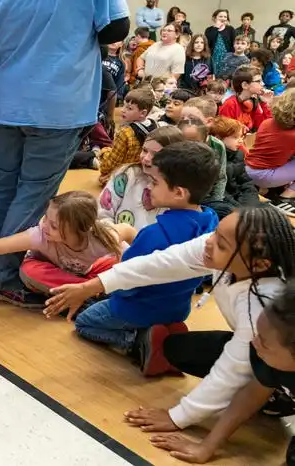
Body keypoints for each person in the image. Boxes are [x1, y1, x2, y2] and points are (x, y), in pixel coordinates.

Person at [46, 205, 295, 441]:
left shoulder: (266, 302)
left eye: (220, 243)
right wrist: (91, 286)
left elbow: (232, 369)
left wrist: (178, 417)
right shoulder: (230, 251)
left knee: (243, 372)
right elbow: (161, 263)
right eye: (215, 233)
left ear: (260, 264)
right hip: (260, 348)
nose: (208, 242)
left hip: (282, 362)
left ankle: (279, 396)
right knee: (177, 348)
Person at [0, 0, 130, 306]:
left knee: (3, 185)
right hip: (59, 106)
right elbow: (116, 29)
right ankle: (2, 277)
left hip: (7, 103)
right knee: (32, 196)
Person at [66, 142, 221, 362]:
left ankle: (138, 341)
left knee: (84, 322)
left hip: (138, 308)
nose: (149, 187)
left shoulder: (155, 234)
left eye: (155, 182)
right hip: (177, 308)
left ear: (178, 192)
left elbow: (127, 281)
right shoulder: (211, 222)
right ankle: (163, 330)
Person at [148, 280, 295, 465]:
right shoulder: (273, 357)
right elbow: (251, 395)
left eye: (263, 341)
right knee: (179, 348)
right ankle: (278, 399)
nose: (254, 342)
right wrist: (206, 447)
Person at [0, 191, 133, 301]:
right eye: (46, 219)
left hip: (89, 272)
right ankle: (91, 292)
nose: (45, 226)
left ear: (80, 228)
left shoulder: (102, 237)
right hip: (58, 275)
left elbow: (132, 234)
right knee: (29, 271)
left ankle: (91, 291)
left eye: (54, 226)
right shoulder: (41, 235)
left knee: (125, 257)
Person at [99, 126, 184, 230]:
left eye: (156, 155)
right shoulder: (127, 174)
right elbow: (102, 213)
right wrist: (116, 238)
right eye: (144, 150)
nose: (146, 158)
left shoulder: (176, 190)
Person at [245, 89, 295, 213]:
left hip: (248, 169)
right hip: (264, 176)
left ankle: (269, 189)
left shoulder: (267, 122)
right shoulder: (292, 134)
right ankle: (285, 198)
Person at [98, 89, 158, 185]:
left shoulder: (125, 133)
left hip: (126, 173)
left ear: (143, 113)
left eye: (129, 108)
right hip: (147, 174)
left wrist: (103, 153)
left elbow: (112, 162)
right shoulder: (155, 125)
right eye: (124, 106)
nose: (123, 110)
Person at [208, 116, 260, 211]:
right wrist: (242, 210)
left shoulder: (238, 155)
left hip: (241, 201)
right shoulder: (212, 160)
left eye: (241, 136)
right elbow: (221, 192)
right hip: (225, 205)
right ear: (218, 138)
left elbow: (246, 183)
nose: (240, 141)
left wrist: (251, 205)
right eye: (235, 137)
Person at [219, 65, 272, 132]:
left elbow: (264, 127)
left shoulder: (254, 101)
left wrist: (266, 103)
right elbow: (223, 131)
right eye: (258, 81)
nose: (263, 84)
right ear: (245, 85)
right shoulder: (230, 104)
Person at [205, 9, 236, 76]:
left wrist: (232, 57)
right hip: (213, 57)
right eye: (220, 16)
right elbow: (208, 42)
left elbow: (233, 44)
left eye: (225, 17)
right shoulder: (209, 29)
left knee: (224, 75)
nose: (223, 18)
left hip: (227, 57)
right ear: (215, 18)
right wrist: (216, 28)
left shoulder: (230, 29)